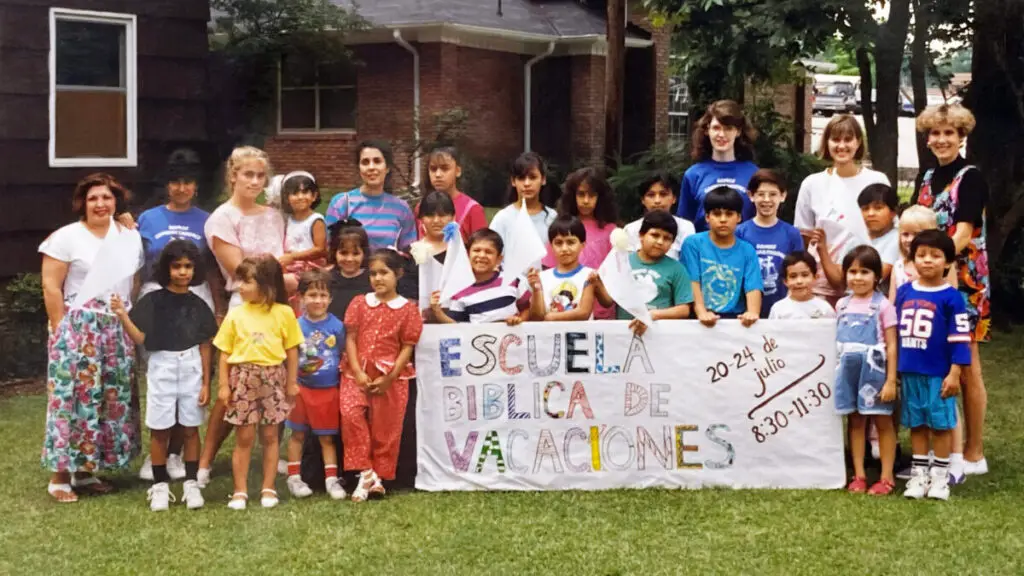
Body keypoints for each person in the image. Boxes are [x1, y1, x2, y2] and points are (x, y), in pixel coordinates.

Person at [39, 173, 144, 503]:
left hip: (115, 327)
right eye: (94, 198)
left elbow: (134, 281)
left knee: (104, 401)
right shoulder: (66, 238)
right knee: (72, 399)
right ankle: (59, 477)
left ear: (117, 202)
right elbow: (51, 286)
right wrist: (60, 328)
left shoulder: (128, 236)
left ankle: (84, 472)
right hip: (78, 327)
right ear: (82, 203)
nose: (101, 204)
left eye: (107, 198)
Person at [198, 146, 289, 486]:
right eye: (247, 174)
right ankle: (205, 462)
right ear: (233, 175)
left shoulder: (274, 215)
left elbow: (286, 256)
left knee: (275, 382)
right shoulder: (221, 218)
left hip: (280, 304)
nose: (253, 180)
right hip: (245, 307)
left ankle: (272, 452)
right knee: (234, 389)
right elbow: (239, 269)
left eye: (260, 175)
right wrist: (286, 277)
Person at [110, 240, 218, 511]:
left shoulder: (198, 304)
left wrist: (206, 382)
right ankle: (159, 486)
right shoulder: (152, 301)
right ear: (166, 268)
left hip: (191, 364)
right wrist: (123, 315)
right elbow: (141, 337)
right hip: (162, 365)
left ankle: (191, 483)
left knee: (191, 428)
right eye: (177, 266)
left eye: (188, 267)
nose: (183, 272)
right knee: (160, 429)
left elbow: (206, 344)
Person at [136, 157, 224, 483]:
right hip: (156, 298)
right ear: (167, 186)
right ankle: (155, 451)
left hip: (194, 297)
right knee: (161, 374)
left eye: (188, 182)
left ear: (196, 186)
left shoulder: (208, 220)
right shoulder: (148, 219)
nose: (182, 188)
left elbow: (212, 269)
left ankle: (175, 453)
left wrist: (217, 306)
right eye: (176, 182)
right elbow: (137, 262)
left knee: (190, 375)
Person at [913, 104, 990, 475]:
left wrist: (936, 262)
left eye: (950, 133)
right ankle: (939, 446)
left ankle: (974, 452)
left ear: (962, 137)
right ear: (928, 139)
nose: (942, 140)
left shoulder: (971, 178)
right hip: (927, 278)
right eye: (936, 133)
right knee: (933, 361)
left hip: (964, 281)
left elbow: (962, 232)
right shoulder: (925, 177)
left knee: (967, 363)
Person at [213, 256, 303, 510]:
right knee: (244, 437)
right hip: (242, 379)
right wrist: (223, 385)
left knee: (271, 435)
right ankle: (240, 491)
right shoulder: (236, 314)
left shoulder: (284, 313)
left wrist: (292, 382)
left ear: (266, 284)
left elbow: (292, 350)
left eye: (247, 281)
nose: (240, 287)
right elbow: (225, 353)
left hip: (274, 378)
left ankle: (268, 487)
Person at [341, 250, 424, 502]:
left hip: (391, 374)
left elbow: (408, 346)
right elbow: (352, 338)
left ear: (397, 274)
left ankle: (376, 476)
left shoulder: (408, 309)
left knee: (386, 428)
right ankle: (366, 472)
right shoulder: (359, 302)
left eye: (384, 273)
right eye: (374, 273)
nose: (378, 279)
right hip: (356, 370)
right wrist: (357, 371)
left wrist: (390, 376)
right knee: (350, 414)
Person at [896, 230, 972, 500]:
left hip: (938, 372)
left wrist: (955, 372)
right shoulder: (904, 292)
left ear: (948, 261)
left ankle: (940, 477)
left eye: (935, 255)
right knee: (916, 423)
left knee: (940, 424)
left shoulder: (952, 297)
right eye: (922, 255)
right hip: (910, 370)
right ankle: (919, 474)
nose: (928, 261)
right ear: (912, 259)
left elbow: (961, 338)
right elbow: (894, 332)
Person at [795, 114, 889, 304]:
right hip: (821, 286)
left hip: (864, 283)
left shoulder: (877, 180)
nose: (842, 146)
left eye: (848, 139)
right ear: (827, 143)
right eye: (835, 139)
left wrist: (877, 276)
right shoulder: (812, 184)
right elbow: (804, 238)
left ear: (858, 142)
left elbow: (889, 238)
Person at [834, 245, 898, 496]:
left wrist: (891, 380)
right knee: (856, 421)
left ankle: (886, 475)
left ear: (877, 277)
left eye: (865, 272)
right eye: (852, 271)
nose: (858, 277)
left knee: (882, 420)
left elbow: (892, 345)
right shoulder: (841, 305)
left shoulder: (883, 306)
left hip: (875, 372)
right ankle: (858, 473)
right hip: (848, 372)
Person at [284, 270, 347, 501]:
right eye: (312, 295)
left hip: (328, 388)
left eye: (322, 295)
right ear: (301, 297)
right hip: (301, 388)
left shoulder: (337, 326)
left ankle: (331, 479)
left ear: (330, 298)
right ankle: (294, 477)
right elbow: (288, 356)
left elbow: (341, 353)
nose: (318, 300)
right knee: (297, 434)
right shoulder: (295, 325)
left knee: (327, 437)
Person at [543, 168, 619, 318]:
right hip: (566, 310)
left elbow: (617, 274)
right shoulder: (563, 228)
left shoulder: (611, 231)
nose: (586, 201)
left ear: (600, 197)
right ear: (572, 196)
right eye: (581, 194)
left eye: (592, 195)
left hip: (602, 311)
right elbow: (550, 272)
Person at [682, 187, 763, 328]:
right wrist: (701, 312)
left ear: (739, 217)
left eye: (729, 214)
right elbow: (692, 281)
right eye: (717, 214)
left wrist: (752, 313)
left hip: (734, 319)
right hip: (697, 317)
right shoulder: (693, 243)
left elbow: (753, 287)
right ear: (707, 217)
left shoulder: (747, 250)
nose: (723, 220)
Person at [677, 100, 758, 232]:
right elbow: (684, 225)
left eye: (728, 128)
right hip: (703, 250)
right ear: (707, 130)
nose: (721, 135)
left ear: (738, 132)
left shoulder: (753, 173)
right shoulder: (693, 175)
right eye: (716, 128)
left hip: (744, 249)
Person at [324, 140, 416, 251]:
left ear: (387, 168)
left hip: (387, 267)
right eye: (365, 162)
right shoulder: (341, 203)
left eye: (377, 161)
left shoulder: (401, 208)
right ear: (359, 168)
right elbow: (329, 246)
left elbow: (408, 250)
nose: (371, 167)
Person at [736, 169, 803, 318]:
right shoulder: (740, 232)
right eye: (760, 194)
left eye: (773, 194)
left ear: (783, 196)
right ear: (751, 196)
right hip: (746, 311)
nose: (766, 200)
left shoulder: (792, 233)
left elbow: (799, 271)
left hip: (782, 310)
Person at [431, 229, 532, 325]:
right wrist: (437, 311)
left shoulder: (512, 280)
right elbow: (455, 326)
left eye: (488, 252)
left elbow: (527, 308)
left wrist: (519, 320)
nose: (482, 255)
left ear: (499, 259)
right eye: (476, 250)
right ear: (467, 255)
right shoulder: (460, 290)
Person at [615, 211, 693, 336]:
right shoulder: (622, 262)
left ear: (672, 243)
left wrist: (653, 315)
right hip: (624, 334)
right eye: (655, 235)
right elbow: (608, 300)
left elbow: (684, 309)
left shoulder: (677, 269)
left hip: (660, 336)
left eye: (667, 238)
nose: (660, 242)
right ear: (641, 235)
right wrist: (595, 282)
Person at [528, 215, 610, 321]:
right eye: (558, 243)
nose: (564, 248)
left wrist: (552, 317)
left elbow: (584, 312)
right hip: (549, 336)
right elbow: (536, 317)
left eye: (571, 242)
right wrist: (536, 289)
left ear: (582, 245)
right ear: (551, 246)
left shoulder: (589, 275)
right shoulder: (542, 278)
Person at [488, 152, 556, 248]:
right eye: (521, 178)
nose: (527, 183)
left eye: (533, 177)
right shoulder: (502, 219)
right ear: (513, 181)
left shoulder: (552, 218)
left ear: (543, 179)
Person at [418, 146, 486, 241]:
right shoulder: (421, 207)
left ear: (458, 171)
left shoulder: (472, 209)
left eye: (445, 169)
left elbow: (482, 246)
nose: (438, 174)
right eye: (433, 169)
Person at [624, 172, 696, 260]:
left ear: (674, 198)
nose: (657, 201)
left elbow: (689, 262)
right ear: (643, 200)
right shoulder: (631, 229)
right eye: (651, 195)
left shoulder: (685, 227)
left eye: (663, 194)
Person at [279, 171, 328, 273]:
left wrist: (293, 257)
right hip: (290, 267)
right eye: (295, 193)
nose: (300, 197)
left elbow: (320, 249)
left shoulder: (316, 220)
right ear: (287, 198)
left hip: (310, 269)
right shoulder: (288, 220)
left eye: (305, 192)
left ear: (314, 196)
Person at [768, 252, 836, 319]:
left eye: (805, 275)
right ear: (785, 281)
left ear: (815, 277)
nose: (799, 281)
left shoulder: (825, 308)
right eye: (793, 276)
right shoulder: (778, 309)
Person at [327, 221, 372, 320]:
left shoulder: (372, 280)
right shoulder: (327, 279)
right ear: (334, 253)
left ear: (364, 253)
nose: (349, 259)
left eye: (356, 254)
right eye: (344, 253)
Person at [858, 183, 900, 285]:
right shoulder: (857, 237)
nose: (870, 214)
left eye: (878, 208)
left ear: (893, 212)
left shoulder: (898, 239)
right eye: (865, 209)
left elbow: (876, 278)